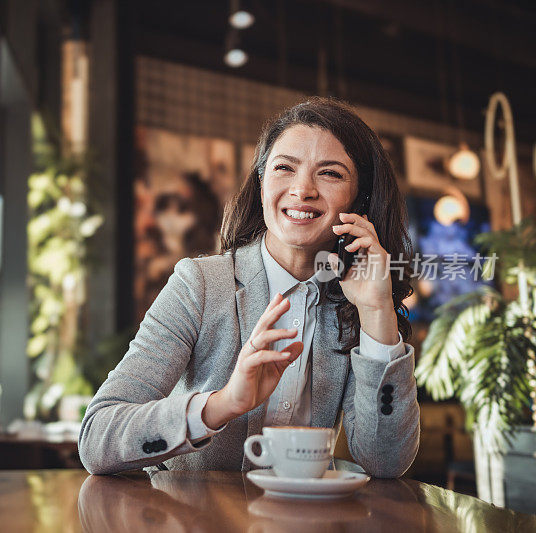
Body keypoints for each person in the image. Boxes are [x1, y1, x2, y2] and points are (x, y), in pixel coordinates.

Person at [79, 97, 419, 477]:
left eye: (330, 174)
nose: (302, 189)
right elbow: (97, 438)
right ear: (261, 185)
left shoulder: (357, 303)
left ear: (361, 199)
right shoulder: (201, 285)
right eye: (284, 168)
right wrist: (222, 404)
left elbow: (386, 463)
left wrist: (376, 312)